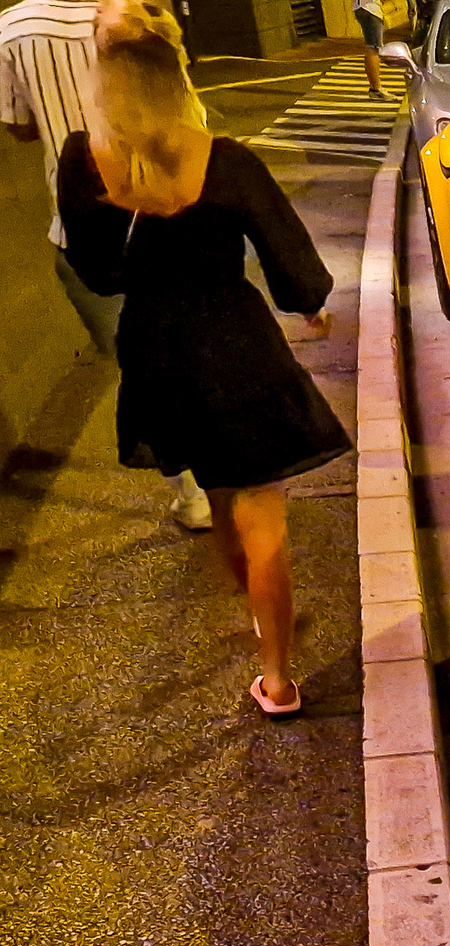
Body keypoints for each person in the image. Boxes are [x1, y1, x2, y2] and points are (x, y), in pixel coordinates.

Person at [59, 30, 350, 717]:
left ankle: (255, 614)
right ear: (176, 87)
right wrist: (309, 306)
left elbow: (97, 272)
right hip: (236, 341)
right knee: (263, 513)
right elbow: (287, 252)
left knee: (218, 495)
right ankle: (278, 679)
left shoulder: (85, 160)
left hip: (159, 348)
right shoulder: (227, 160)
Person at [0, 0, 213, 529]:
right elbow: (186, 105)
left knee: (139, 361)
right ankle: (229, 466)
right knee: (198, 342)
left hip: (85, 227)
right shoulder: (137, 12)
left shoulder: (11, 29)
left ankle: (192, 492)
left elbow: (20, 126)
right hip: (174, 208)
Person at [352, 0, 386, 99]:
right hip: (370, 9)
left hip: (365, 8)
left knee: (372, 48)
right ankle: (376, 88)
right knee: (373, 49)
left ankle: (375, 87)